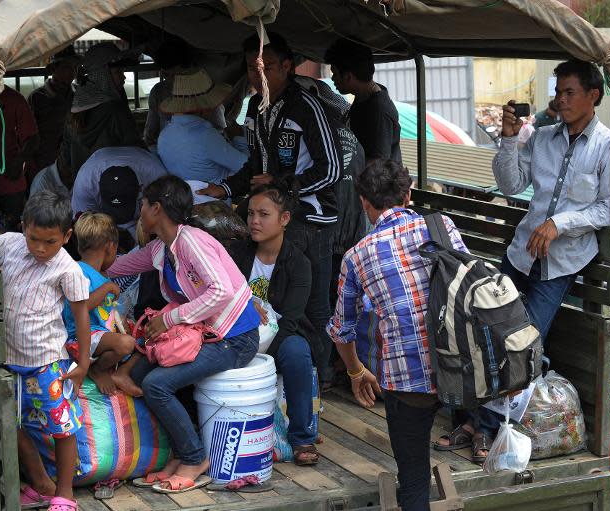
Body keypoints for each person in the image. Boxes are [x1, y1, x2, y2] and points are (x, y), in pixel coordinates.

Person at [199, 32, 342, 389]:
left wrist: (282, 184)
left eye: (268, 67)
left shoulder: (306, 106)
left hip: (311, 216)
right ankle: (277, 366)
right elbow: (253, 165)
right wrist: (227, 188)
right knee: (274, 295)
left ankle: (318, 377)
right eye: (251, 68)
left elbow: (332, 169)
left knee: (315, 305)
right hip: (274, 212)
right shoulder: (254, 107)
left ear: (288, 66)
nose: (257, 75)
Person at [327, 159, 469, 511]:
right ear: (408, 195)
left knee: (414, 475)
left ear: (364, 202)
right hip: (465, 370)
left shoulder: (357, 256)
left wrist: (356, 371)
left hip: (409, 382)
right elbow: (469, 289)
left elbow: (341, 330)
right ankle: (476, 430)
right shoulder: (442, 226)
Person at [107, 175, 259, 493]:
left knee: (156, 384)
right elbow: (118, 267)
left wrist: (170, 319)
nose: (140, 212)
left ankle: (194, 457)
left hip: (236, 338)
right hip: (209, 335)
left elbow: (220, 290)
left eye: (144, 205)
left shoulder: (190, 241)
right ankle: (180, 452)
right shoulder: (161, 249)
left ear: (157, 208)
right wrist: (79, 268)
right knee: (142, 370)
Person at [0, 191, 91, 511]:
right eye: (34, 239)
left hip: (48, 363)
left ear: (67, 236)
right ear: (24, 227)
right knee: (12, 423)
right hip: (10, 360)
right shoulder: (10, 243)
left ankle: (65, 494)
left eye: (51, 241)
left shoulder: (68, 269)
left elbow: (81, 316)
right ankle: (40, 481)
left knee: (62, 426)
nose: (40, 249)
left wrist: (84, 363)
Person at [493, 59, 610, 345]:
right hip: (519, 254)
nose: (560, 100)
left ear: (593, 95)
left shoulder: (609, 147)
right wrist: (508, 138)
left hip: (559, 265)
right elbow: (510, 185)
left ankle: (523, 384)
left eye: (569, 93)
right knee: (489, 329)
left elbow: (609, 209)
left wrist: (559, 223)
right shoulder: (542, 138)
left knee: (525, 343)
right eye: (558, 92)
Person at [230, 183, 322, 466]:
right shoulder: (237, 253)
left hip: (279, 340)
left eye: (264, 214)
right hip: (236, 335)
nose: (254, 221)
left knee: (296, 350)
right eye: (251, 214)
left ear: (284, 220)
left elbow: (291, 322)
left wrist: (259, 358)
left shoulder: (299, 263)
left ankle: (301, 437)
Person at [61, 213, 142, 397]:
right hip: (83, 337)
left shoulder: (102, 275)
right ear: (110, 247)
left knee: (144, 341)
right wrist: (105, 289)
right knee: (126, 344)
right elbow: (80, 306)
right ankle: (97, 369)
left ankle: (121, 373)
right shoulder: (79, 271)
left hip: (102, 335)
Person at [157, 68, 247, 185]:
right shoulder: (206, 136)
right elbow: (244, 166)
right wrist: (239, 138)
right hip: (212, 199)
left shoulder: (164, 134)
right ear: (204, 107)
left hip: (182, 197)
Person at [66, 43, 142, 172]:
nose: (123, 77)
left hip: (84, 186)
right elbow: (138, 153)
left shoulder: (74, 110)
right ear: (103, 76)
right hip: (115, 186)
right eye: (118, 72)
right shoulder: (116, 111)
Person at [325, 38, 402, 161]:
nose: (333, 79)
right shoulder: (363, 97)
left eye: (335, 73)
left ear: (348, 76)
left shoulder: (378, 111)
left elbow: (378, 166)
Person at [71, 145, 167, 239]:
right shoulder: (85, 184)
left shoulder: (156, 176)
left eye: (123, 208)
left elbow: (168, 220)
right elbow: (84, 228)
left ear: (140, 188)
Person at [144, 38, 227, 148]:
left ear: (188, 69)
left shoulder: (205, 91)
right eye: (165, 75)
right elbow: (150, 131)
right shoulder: (158, 91)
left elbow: (219, 131)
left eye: (174, 75)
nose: (170, 80)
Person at [0, 85, 40, 231]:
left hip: (8, 182)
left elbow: (33, 138)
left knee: (10, 232)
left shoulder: (14, 99)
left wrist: (18, 161)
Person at [28, 46, 79, 174]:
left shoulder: (79, 94)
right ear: (52, 69)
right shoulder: (37, 98)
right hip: (45, 164)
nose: (72, 72)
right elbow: (28, 136)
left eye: (75, 67)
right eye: (67, 67)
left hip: (73, 162)